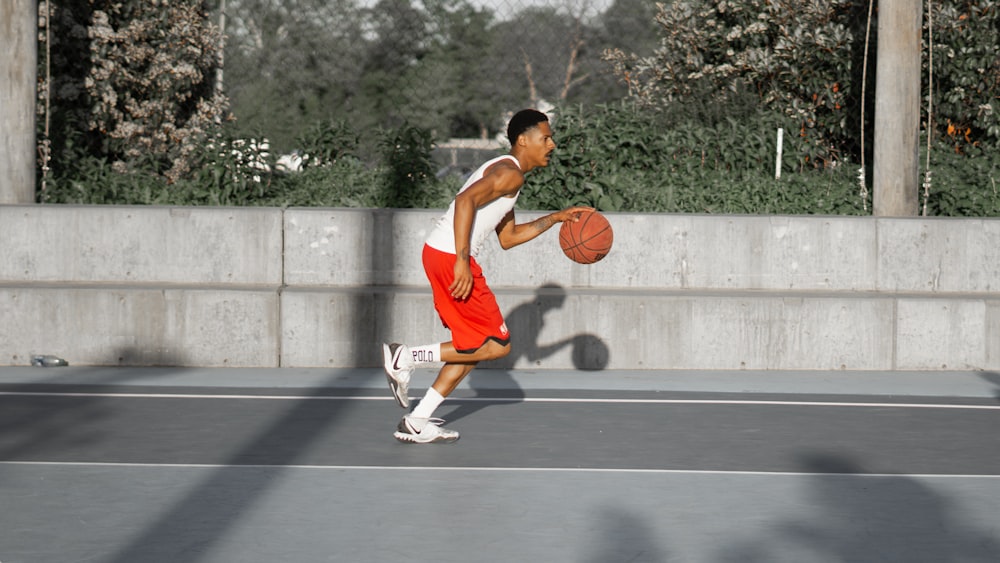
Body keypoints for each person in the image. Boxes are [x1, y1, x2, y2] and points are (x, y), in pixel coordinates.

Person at [382, 108, 593, 444]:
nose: (552, 144)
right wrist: (463, 262)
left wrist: (556, 218)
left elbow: (508, 238)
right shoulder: (510, 175)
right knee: (495, 345)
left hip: (442, 254)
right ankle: (405, 356)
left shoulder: (505, 172)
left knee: (473, 348)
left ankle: (418, 421)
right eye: (546, 137)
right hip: (452, 257)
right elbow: (464, 201)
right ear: (524, 140)